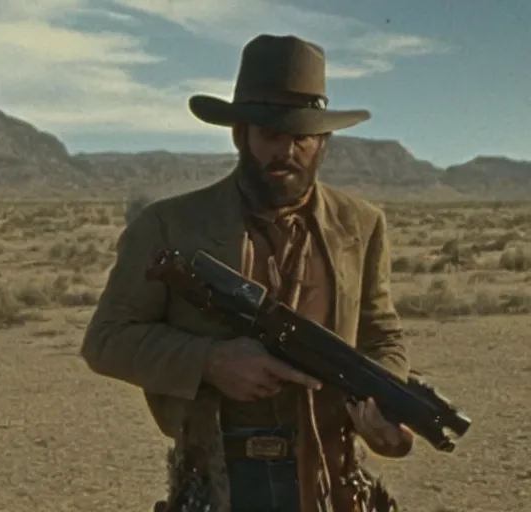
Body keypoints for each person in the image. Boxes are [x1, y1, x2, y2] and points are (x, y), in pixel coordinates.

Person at [80, 33, 414, 512]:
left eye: (303, 136)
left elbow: (382, 334)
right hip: (222, 480)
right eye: (272, 135)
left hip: (327, 478)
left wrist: (386, 401)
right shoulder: (170, 226)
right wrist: (210, 361)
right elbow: (106, 340)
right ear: (240, 134)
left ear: (323, 141)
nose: (289, 151)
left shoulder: (359, 225)